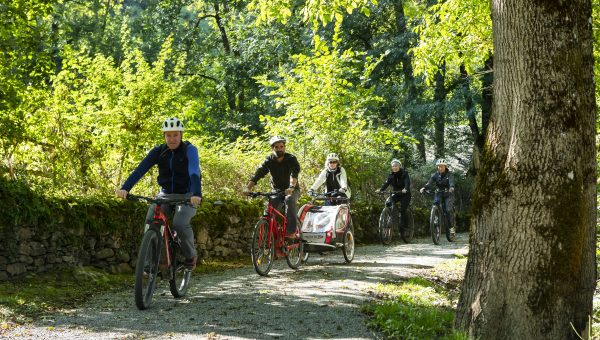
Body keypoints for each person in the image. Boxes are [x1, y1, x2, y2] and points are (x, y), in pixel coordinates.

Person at [116, 117, 202, 270]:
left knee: (180, 224)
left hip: (187, 195)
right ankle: (149, 264)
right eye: (168, 135)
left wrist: (196, 193)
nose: (172, 139)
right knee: (151, 221)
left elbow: (194, 171)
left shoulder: (189, 149)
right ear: (164, 136)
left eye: (175, 135)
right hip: (165, 195)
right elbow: (140, 170)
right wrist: (125, 188)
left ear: (181, 135)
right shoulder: (159, 151)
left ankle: (190, 255)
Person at [243, 136, 301, 239]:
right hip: (277, 191)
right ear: (272, 148)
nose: (279, 149)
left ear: (284, 147)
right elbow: (258, 174)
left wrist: (291, 187)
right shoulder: (269, 160)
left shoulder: (291, 159)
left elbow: (294, 174)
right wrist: (248, 188)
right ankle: (269, 236)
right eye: (276, 147)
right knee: (269, 210)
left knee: (289, 200)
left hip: (292, 189)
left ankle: (291, 232)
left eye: (281, 146)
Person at [420, 158, 456, 235]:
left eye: (442, 166)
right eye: (439, 166)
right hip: (439, 192)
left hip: (448, 194)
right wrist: (424, 188)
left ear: (445, 167)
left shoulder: (449, 174)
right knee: (435, 203)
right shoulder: (435, 175)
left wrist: (451, 188)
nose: (440, 168)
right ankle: (435, 218)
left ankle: (451, 228)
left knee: (447, 210)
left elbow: (451, 182)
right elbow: (429, 183)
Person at [376, 159, 411, 231]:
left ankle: (405, 226)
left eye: (396, 166)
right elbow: (386, 183)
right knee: (388, 203)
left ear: (399, 166)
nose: (394, 167)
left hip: (405, 194)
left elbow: (407, 182)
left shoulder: (404, 173)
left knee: (403, 209)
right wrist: (381, 190)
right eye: (393, 166)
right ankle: (391, 218)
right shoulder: (391, 175)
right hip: (396, 193)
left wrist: (405, 188)